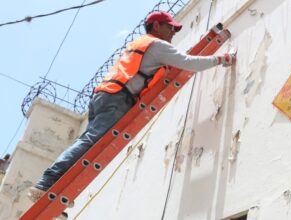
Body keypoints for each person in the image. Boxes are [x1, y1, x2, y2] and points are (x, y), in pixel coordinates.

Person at [28, 11, 236, 202]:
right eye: (170, 27)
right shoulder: (157, 45)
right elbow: (188, 62)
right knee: (92, 142)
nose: (173, 31)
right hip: (117, 98)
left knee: (90, 144)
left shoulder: (141, 44)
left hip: (105, 96)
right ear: (156, 26)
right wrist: (221, 59)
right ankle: (48, 182)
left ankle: (60, 189)